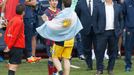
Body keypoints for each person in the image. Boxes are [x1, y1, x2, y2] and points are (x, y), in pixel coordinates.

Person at [95, 0, 123, 75]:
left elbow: (121, 19)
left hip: (114, 33)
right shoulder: (98, 6)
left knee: (113, 52)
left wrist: (119, 30)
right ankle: (99, 69)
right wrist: (97, 30)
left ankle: (110, 69)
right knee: (100, 52)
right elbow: (94, 20)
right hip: (102, 33)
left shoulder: (118, 6)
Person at [75, 0, 101, 70]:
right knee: (86, 49)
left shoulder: (98, 1)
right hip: (85, 29)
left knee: (98, 48)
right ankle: (89, 65)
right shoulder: (80, 2)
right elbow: (76, 15)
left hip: (97, 29)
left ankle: (100, 65)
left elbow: (101, 14)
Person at [4, 4, 25, 75]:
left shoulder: (12, 19)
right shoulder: (19, 21)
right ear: (23, 12)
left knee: (11, 66)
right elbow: (15, 36)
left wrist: (8, 44)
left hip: (12, 46)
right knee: (13, 67)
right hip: (17, 46)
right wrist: (9, 46)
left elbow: (7, 33)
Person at [41, 0, 60, 75]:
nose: (54, 2)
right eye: (52, 1)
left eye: (56, 1)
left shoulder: (59, 11)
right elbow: (46, 23)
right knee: (51, 58)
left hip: (59, 39)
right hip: (50, 39)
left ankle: (55, 72)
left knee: (58, 57)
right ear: (49, 2)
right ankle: (51, 73)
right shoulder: (46, 12)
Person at [123, 0, 134, 72]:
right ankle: (128, 66)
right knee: (128, 48)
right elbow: (122, 15)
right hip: (129, 29)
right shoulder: (126, 2)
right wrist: (125, 27)